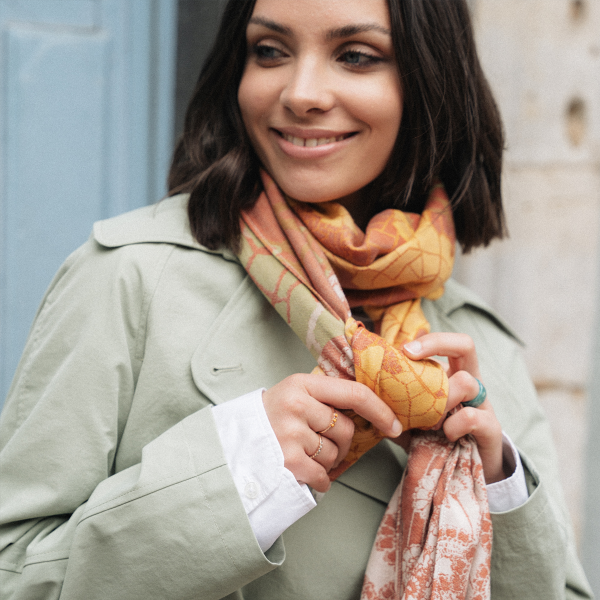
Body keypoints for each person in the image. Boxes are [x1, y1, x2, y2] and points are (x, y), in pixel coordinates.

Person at [0, 0, 593, 598]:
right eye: (270, 51)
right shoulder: (131, 279)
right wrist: (239, 473)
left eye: (356, 56)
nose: (301, 92)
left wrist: (492, 484)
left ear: (430, 79)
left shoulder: (482, 344)